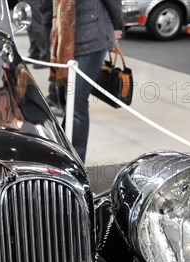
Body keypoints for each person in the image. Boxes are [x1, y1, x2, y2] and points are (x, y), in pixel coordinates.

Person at [49, 0, 123, 163]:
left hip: (91, 39)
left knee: (76, 102)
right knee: (64, 98)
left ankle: (75, 162)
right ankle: (64, 150)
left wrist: (117, 27)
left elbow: (114, 3)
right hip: (64, 40)